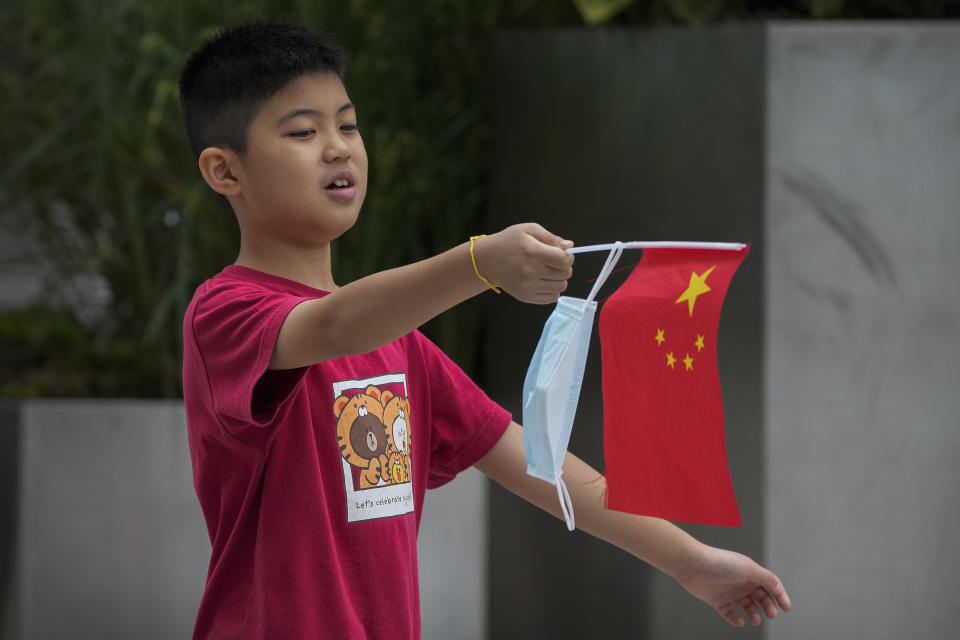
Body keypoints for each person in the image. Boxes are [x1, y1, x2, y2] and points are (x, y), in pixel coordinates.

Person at [178, 19, 791, 640]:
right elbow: (335, 327)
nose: (338, 147)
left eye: (349, 124)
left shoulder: (402, 344)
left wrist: (693, 562)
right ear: (224, 171)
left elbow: (540, 465)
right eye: (304, 131)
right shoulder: (224, 314)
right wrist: (480, 262)